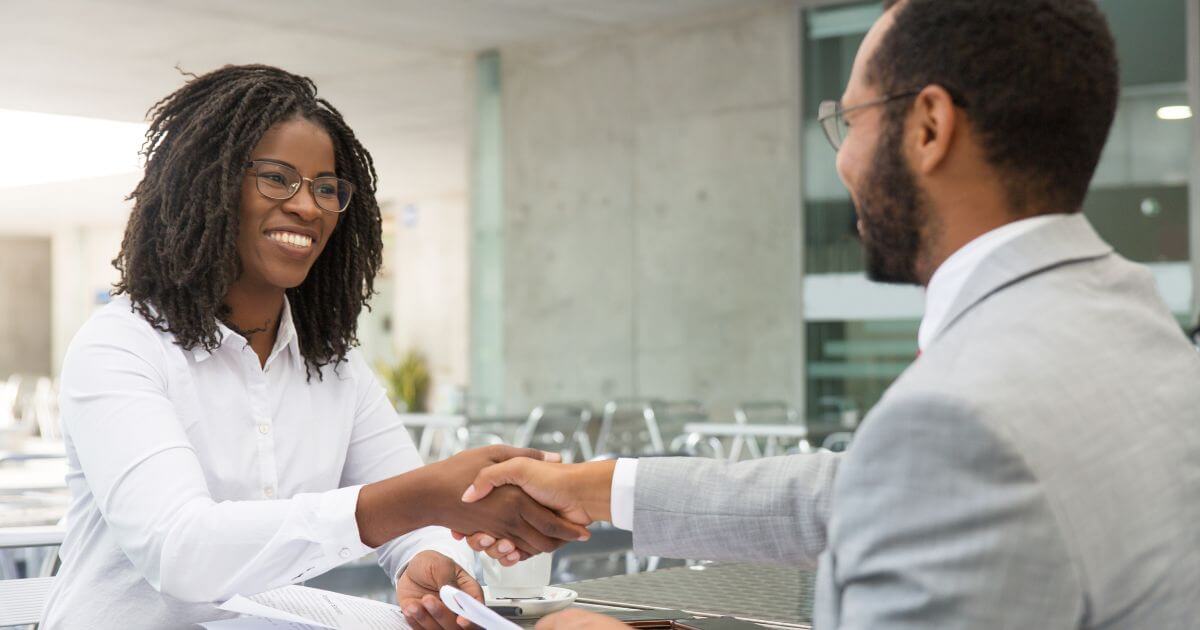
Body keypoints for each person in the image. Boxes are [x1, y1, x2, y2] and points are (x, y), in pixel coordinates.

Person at [458, 0, 1200, 628]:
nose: (841, 161)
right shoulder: (1143, 333)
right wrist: (593, 487)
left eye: (851, 121)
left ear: (930, 127)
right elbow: (853, 495)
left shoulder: (963, 418)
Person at [41, 65, 588, 630]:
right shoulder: (121, 345)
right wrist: (421, 495)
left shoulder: (334, 366)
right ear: (207, 183)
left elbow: (416, 518)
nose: (308, 207)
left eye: (326, 187)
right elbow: (182, 553)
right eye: (277, 178)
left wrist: (431, 560)